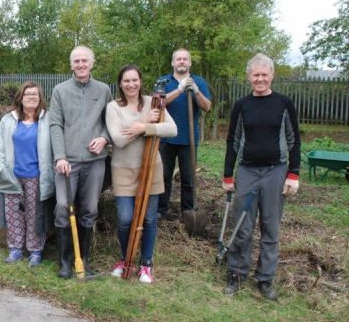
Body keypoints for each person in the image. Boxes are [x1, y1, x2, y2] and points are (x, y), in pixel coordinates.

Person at [222, 53, 300, 300]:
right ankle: (236, 275)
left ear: (272, 75)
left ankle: (265, 280)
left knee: (270, 229)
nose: (260, 79)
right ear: (249, 77)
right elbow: (232, 142)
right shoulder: (242, 106)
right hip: (246, 172)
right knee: (242, 226)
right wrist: (227, 176)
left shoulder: (284, 104)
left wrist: (293, 174)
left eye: (264, 74)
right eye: (255, 75)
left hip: (275, 172)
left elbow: (294, 140)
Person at [106, 64, 177, 283]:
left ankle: (146, 264)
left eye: (134, 80)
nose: (131, 84)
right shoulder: (113, 107)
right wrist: (144, 122)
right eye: (126, 81)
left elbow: (172, 130)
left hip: (151, 169)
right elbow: (118, 139)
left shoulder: (153, 103)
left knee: (148, 218)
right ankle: (125, 259)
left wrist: (145, 128)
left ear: (140, 81)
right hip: (123, 170)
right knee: (126, 218)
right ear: (120, 84)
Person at [49, 45, 112, 279]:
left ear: (92, 63)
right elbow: (55, 124)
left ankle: (83, 259)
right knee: (63, 207)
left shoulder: (104, 90)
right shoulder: (60, 91)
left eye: (85, 60)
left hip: (95, 161)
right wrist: (60, 156)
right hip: (68, 162)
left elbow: (111, 123)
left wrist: (104, 139)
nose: (81, 65)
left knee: (90, 209)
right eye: (76, 61)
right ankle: (65, 262)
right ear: (71, 64)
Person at [0, 82, 54, 267]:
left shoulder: (47, 120)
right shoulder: (8, 120)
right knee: (13, 214)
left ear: (40, 98)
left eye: (35, 94)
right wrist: (0, 171)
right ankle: (15, 249)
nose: (32, 97)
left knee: (35, 215)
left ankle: (35, 251)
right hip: (12, 176)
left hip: (36, 176)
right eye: (28, 94)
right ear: (21, 97)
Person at [157, 48, 212, 219]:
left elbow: (207, 107)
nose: (182, 61)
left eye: (185, 59)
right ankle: (161, 211)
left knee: (188, 178)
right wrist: (180, 90)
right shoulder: (163, 81)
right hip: (166, 138)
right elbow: (158, 104)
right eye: (178, 59)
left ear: (190, 63)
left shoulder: (199, 81)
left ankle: (187, 212)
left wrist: (196, 91)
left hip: (189, 139)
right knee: (164, 176)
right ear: (173, 62)